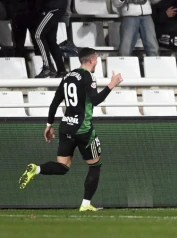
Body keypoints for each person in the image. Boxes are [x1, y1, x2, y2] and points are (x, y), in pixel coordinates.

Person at [19, 48, 124, 212]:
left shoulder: (68, 76)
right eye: (96, 59)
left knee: (63, 166)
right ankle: (85, 204)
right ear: (91, 60)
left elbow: (55, 101)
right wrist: (111, 85)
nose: (97, 62)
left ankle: (36, 169)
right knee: (95, 165)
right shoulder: (88, 76)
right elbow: (95, 100)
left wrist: (49, 124)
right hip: (83, 129)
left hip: (66, 126)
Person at [33, 0, 67, 78]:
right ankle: (62, 70)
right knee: (51, 40)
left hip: (53, 7)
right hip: (56, 6)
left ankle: (47, 68)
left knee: (38, 35)